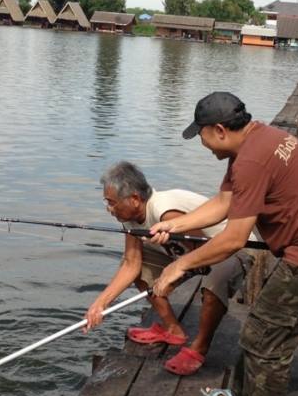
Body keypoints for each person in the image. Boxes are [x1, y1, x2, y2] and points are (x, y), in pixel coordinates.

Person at [150, 92, 298, 396]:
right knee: (261, 329)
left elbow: (233, 239)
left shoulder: (252, 161)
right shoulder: (259, 140)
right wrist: (178, 225)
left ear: (218, 130)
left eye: (200, 134)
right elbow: (224, 204)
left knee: (266, 342)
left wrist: (179, 265)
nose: (201, 143)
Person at [83, 161, 256, 376]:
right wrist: (100, 304)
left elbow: (205, 251)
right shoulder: (130, 219)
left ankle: (199, 347)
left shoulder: (165, 211)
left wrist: (173, 274)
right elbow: (131, 263)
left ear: (135, 199)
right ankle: (172, 330)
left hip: (232, 247)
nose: (109, 209)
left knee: (214, 282)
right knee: (140, 267)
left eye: (111, 203)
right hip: (192, 253)